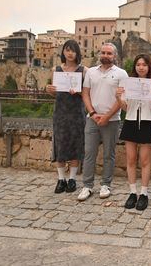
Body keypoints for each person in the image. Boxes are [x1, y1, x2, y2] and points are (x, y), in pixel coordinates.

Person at [77, 43, 128, 201]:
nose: (106, 55)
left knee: (109, 154)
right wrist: (92, 113)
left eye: (109, 53)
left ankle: (106, 185)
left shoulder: (121, 74)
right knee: (89, 153)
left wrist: (107, 116)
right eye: (103, 52)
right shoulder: (91, 72)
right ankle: (87, 186)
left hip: (111, 120)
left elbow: (122, 99)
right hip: (92, 119)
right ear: (100, 54)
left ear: (115, 56)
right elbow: (85, 94)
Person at [116, 54, 151, 211]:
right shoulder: (128, 84)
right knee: (130, 159)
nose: (141, 67)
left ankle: (144, 193)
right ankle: (132, 192)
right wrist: (117, 97)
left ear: (149, 67)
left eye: (144, 64)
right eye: (138, 64)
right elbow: (125, 107)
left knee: (144, 160)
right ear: (135, 67)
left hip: (147, 122)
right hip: (130, 121)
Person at [46, 40, 87, 194]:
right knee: (60, 145)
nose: (70, 53)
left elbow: (87, 93)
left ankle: (72, 179)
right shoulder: (55, 70)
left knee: (76, 145)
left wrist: (78, 91)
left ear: (77, 53)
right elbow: (54, 93)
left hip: (77, 113)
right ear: (63, 52)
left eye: (73, 50)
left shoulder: (84, 71)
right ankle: (61, 179)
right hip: (61, 113)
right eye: (67, 50)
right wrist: (48, 89)